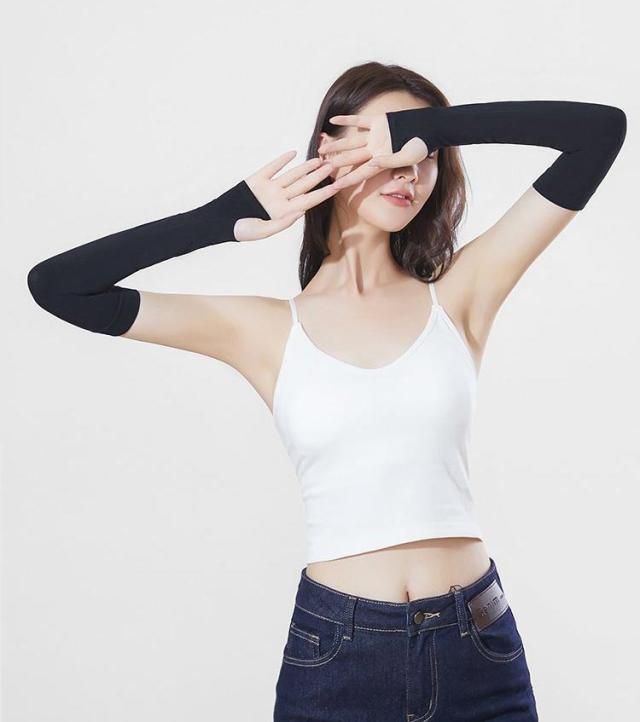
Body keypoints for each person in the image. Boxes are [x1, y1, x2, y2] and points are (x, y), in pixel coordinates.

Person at [26, 62, 626, 721]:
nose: (408, 168)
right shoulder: (260, 330)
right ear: (326, 149)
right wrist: (218, 219)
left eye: (423, 152)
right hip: (338, 654)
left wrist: (432, 128)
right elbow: (60, 287)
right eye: (384, 142)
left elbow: (599, 132)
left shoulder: (461, 295)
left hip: (479, 647)